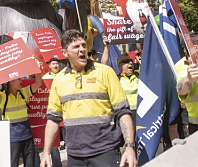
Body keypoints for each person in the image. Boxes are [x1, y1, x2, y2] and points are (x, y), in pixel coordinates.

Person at [40, 30, 136, 167]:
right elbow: (53, 119)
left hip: (105, 152)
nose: (82, 50)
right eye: (76, 47)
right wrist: (46, 152)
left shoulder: (105, 72)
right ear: (64, 53)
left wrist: (129, 146)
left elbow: (123, 112)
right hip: (74, 156)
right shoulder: (59, 80)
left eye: (84, 45)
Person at [0, 67, 42, 167]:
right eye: (19, 79)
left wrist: (36, 69)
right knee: (13, 164)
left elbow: (38, 83)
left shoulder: (23, 92)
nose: (21, 81)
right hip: (12, 138)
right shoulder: (3, 96)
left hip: (27, 136)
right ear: (12, 81)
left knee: (30, 164)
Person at [117, 53, 138, 131]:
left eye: (131, 61)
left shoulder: (139, 78)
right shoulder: (117, 80)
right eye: (126, 61)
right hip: (125, 114)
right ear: (119, 66)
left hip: (140, 114)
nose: (130, 63)